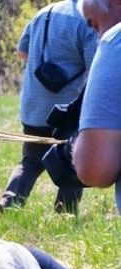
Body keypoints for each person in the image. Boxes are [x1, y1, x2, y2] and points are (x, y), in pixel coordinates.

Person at [0, 0, 97, 214]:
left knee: (31, 160)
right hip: (67, 110)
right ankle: (65, 212)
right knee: (72, 161)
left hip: (34, 105)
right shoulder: (87, 19)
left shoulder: (43, 13)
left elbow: (22, 52)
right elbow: (94, 66)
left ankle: (10, 202)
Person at [73, 0, 121, 214]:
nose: (99, 35)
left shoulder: (116, 41)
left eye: (95, 25)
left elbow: (95, 169)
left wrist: (76, 145)